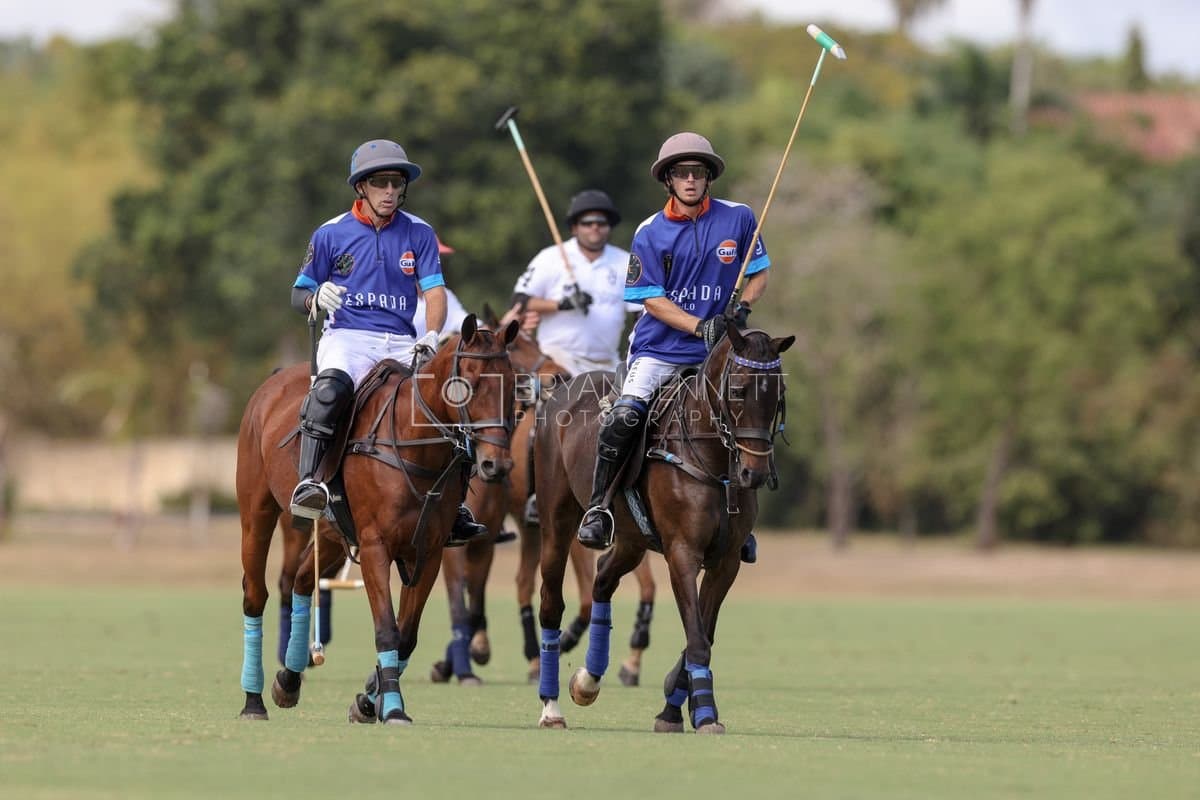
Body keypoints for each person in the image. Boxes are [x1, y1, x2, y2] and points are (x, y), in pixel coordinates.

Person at [576, 132, 769, 555]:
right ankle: (600, 507)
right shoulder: (650, 231)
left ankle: (741, 523)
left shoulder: (739, 217)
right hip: (659, 350)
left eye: (697, 173)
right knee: (625, 416)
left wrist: (742, 311)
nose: (690, 180)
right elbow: (650, 299)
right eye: (681, 173)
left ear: (708, 178)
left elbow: (758, 274)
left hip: (720, 352)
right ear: (668, 180)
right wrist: (700, 326)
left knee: (753, 408)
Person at [289, 138, 487, 545]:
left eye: (397, 184)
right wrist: (315, 298)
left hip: (403, 340)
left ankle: (456, 505)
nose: (391, 192)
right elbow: (298, 293)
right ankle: (310, 483)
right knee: (329, 391)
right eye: (381, 183)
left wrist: (431, 335)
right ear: (361, 186)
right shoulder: (330, 234)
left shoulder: (419, 231)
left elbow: (434, 293)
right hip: (349, 336)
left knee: (453, 400)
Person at [510, 189, 638, 376]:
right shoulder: (550, 257)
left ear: (610, 227)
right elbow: (519, 301)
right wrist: (562, 304)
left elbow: (640, 313)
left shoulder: (626, 262)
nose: (595, 227)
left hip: (608, 363)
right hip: (558, 361)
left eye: (601, 222)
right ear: (574, 227)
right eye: (587, 223)